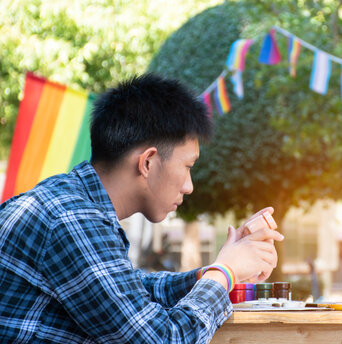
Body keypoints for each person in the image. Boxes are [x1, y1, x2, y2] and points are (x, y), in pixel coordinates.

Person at [0, 73, 284, 343]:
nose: (189, 186)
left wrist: (216, 271)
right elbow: (163, 339)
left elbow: (132, 289)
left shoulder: (71, 202)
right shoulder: (72, 219)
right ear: (147, 162)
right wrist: (225, 271)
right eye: (187, 167)